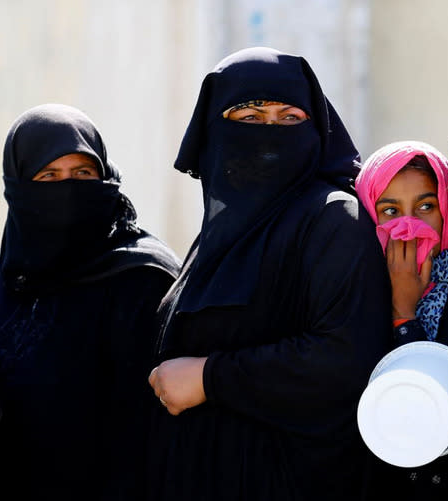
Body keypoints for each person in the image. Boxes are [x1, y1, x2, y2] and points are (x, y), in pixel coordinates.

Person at [145, 47, 392, 501]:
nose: (271, 134)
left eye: (290, 118)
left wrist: (210, 378)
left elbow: (345, 359)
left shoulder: (332, 218)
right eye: (250, 118)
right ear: (214, 130)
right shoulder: (219, 233)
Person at [0, 103, 181, 500]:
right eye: (48, 177)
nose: (67, 189)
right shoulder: (12, 278)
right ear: (17, 188)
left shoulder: (143, 277)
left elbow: (152, 433)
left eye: (83, 174)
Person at [355, 140, 448, 499]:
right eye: (390, 211)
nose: (409, 226)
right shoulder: (349, 287)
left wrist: (404, 314)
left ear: (446, 209)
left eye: (426, 205)